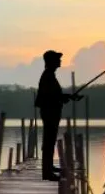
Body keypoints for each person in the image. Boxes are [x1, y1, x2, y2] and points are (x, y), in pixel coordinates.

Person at [35, 50, 83, 181]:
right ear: (51, 62)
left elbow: (54, 95)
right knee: (49, 141)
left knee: (50, 140)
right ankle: (47, 173)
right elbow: (50, 96)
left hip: (52, 111)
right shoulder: (48, 76)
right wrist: (65, 97)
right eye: (57, 59)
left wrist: (67, 97)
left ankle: (49, 167)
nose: (60, 61)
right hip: (50, 112)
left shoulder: (50, 75)